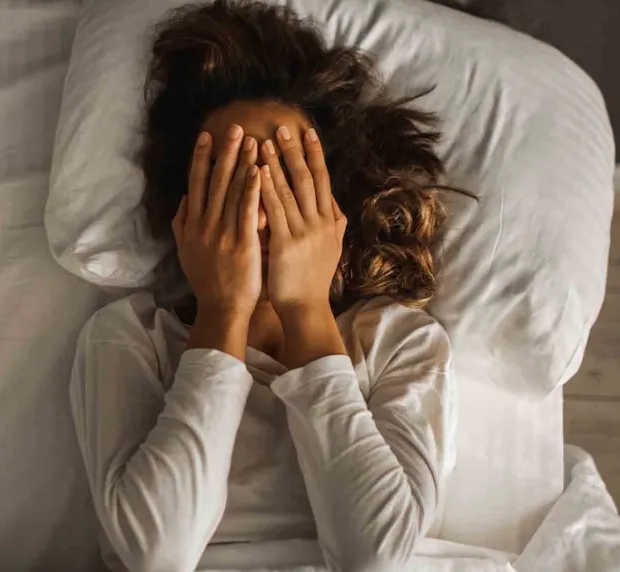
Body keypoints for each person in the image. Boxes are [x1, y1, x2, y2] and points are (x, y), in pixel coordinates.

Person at [69, 1, 460, 570]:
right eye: (228, 182)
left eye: (287, 179)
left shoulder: (400, 342)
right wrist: (223, 312)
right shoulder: (128, 339)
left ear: (332, 207)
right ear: (185, 211)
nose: (260, 207)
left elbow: (375, 558)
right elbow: (158, 553)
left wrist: (306, 309)